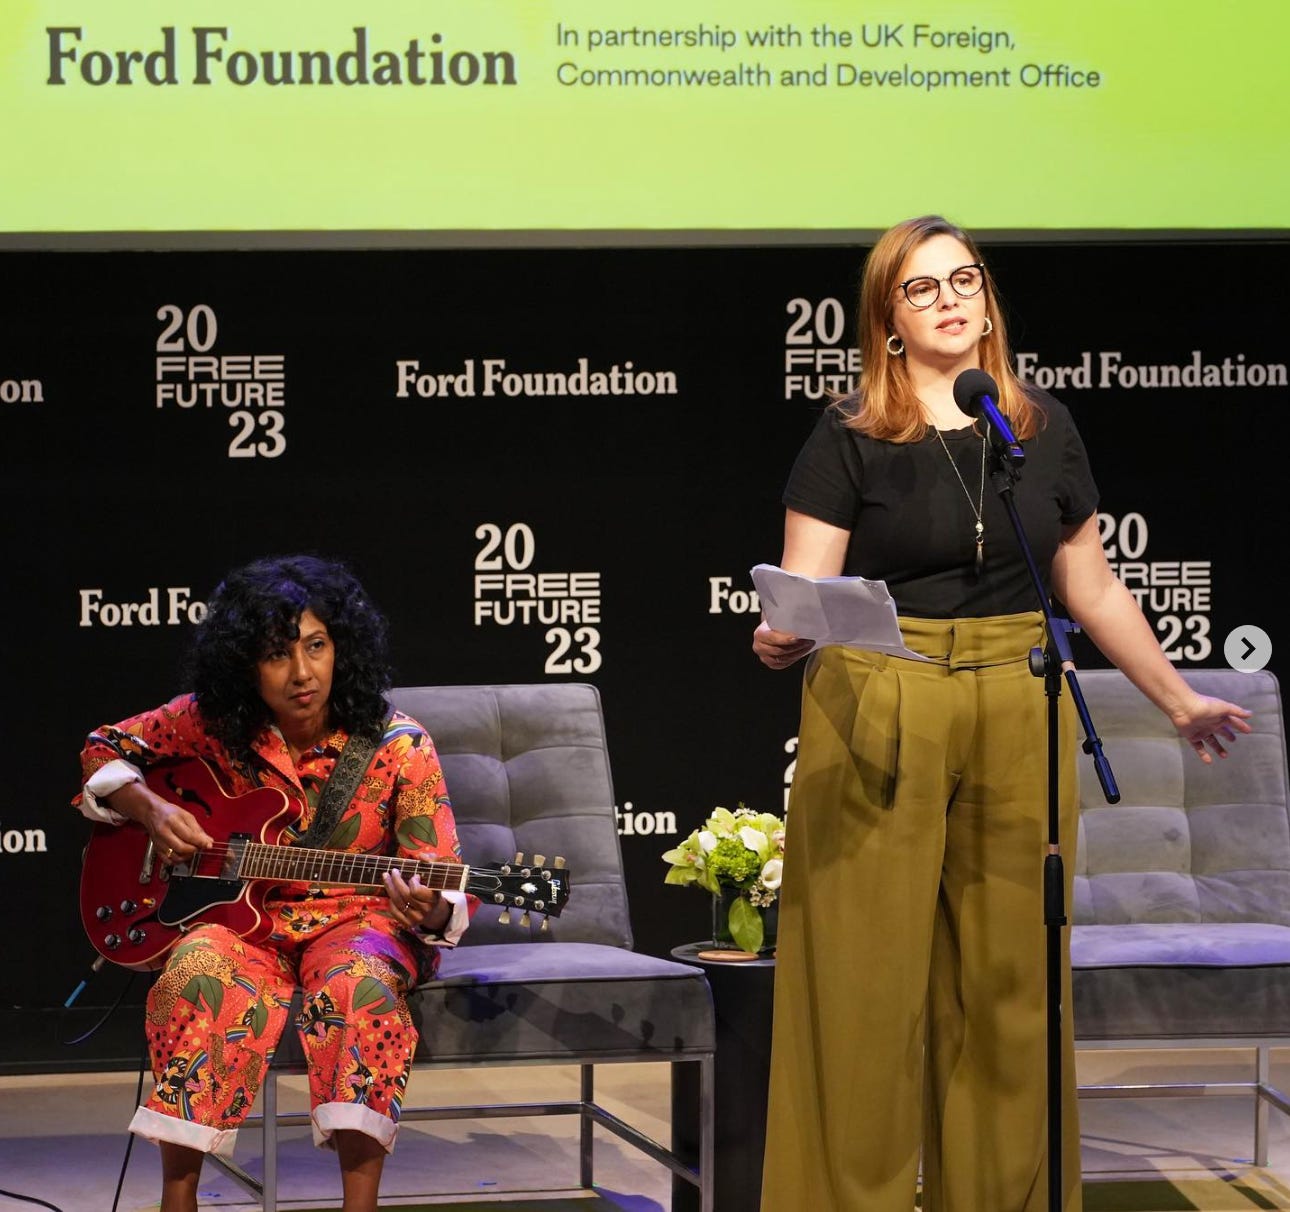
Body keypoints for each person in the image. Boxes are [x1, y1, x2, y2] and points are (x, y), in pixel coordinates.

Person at [752, 215, 1252, 1212]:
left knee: (1009, 987)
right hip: (883, 692)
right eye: (921, 288)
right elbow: (803, 590)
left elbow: (1091, 587)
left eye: (964, 281)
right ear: (888, 321)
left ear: (987, 302)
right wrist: (782, 636)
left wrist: (1180, 700)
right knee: (862, 987)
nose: (949, 301)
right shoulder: (850, 432)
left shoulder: (1039, 428)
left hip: (1020, 694)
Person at [75, 554, 471, 1212]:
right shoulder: (208, 724)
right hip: (241, 928)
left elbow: (441, 875)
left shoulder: (399, 745)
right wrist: (152, 810)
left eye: (316, 646)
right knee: (196, 970)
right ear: (243, 664)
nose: (302, 673)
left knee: (358, 985)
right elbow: (103, 748)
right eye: (276, 654)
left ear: (342, 646)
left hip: (356, 923)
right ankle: (178, 1200)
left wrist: (429, 909)